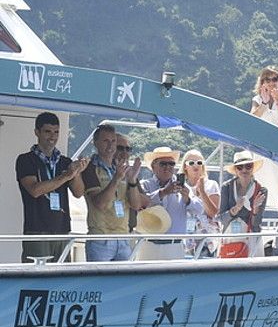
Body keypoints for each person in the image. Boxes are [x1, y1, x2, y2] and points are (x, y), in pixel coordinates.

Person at [15, 112, 88, 262]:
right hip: (37, 230)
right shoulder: (25, 160)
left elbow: (79, 192)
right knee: (37, 280)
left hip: (62, 230)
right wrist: (66, 175)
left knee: (61, 280)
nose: (52, 137)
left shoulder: (65, 161)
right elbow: (35, 190)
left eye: (56, 132)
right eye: (48, 131)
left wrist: (77, 172)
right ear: (37, 132)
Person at [81, 125, 142, 261]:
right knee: (99, 282)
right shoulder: (90, 167)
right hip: (101, 239)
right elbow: (100, 203)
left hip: (123, 237)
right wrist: (116, 179)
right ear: (95, 143)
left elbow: (136, 205)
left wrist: (132, 180)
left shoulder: (122, 168)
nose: (110, 146)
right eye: (105, 141)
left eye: (113, 141)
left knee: (125, 282)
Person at [249, 66, 278, 198]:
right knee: (260, 182)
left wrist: (277, 100)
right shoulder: (257, 99)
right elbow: (252, 118)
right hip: (261, 146)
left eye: (274, 79)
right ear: (262, 82)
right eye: (267, 79)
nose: (271, 82)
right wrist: (264, 103)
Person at [136, 146, 190, 260]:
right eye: (163, 164)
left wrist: (188, 199)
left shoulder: (184, 187)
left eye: (171, 164)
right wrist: (164, 192)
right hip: (149, 245)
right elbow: (141, 203)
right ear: (153, 167)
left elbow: (199, 209)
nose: (168, 167)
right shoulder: (144, 185)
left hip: (175, 246)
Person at [217, 150, 267, 256]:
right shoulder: (227, 187)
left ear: (253, 168)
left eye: (248, 166)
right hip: (230, 238)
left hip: (251, 239)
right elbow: (221, 218)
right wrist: (235, 209)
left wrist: (255, 209)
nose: (244, 170)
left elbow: (256, 224)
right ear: (235, 170)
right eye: (240, 167)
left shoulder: (261, 190)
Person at [181, 149, 220, 256]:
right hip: (185, 239)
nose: (196, 165)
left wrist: (202, 191)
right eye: (191, 163)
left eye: (199, 162)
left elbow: (212, 213)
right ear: (185, 166)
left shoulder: (212, 185)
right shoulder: (181, 187)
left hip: (207, 241)